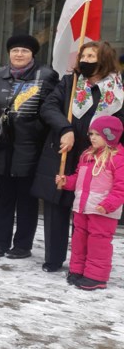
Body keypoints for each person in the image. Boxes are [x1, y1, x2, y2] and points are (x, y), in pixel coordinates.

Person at [35, 40, 124, 273]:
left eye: (91, 56)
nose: (85, 60)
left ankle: (81, 261)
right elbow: (49, 107)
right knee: (56, 204)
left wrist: (106, 143)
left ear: (103, 60)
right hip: (64, 150)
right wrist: (65, 129)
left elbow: (119, 123)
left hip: (97, 158)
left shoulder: (117, 89)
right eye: (83, 56)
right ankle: (53, 259)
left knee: (86, 211)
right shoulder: (70, 82)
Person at [0, 34, 58, 259]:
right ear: (9, 53)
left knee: (27, 200)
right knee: (4, 198)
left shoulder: (46, 75)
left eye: (25, 51)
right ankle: (0, 243)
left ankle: (22, 246)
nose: (19, 54)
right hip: (2, 147)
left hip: (31, 147)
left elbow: (51, 109)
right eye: (15, 50)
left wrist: (38, 132)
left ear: (32, 54)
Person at [56, 115, 124, 290]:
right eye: (91, 133)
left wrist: (108, 205)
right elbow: (79, 178)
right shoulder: (86, 155)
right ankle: (77, 270)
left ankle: (96, 276)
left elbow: (120, 188)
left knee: (98, 243)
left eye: (97, 134)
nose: (92, 137)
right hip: (82, 207)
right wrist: (67, 181)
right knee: (79, 239)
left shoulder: (117, 159)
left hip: (102, 211)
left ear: (110, 136)